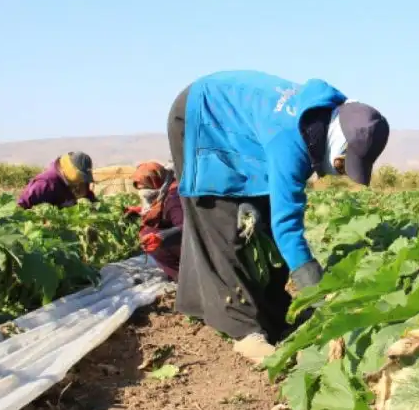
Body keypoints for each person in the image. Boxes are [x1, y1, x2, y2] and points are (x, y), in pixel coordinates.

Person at [167, 70, 390, 364]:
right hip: (200, 115)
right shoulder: (291, 140)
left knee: (263, 222)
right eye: (341, 163)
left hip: (239, 131)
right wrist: (319, 294)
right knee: (219, 219)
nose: (338, 172)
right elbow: (287, 226)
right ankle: (243, 329)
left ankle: (273, 314)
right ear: (337, 141)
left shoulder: (325, 117)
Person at [124, 161, 184, 280]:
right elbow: (160, 210)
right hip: (183, 243)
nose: (143, 193)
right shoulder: (165, 190)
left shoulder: (173, 198)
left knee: (150, 238)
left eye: (146, 188)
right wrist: (139, 210)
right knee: (148, 232)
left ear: (155, 182)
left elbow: (187, 227)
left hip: (195, 245)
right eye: (139, 189)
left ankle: (183, 276)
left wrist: (162, 237)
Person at [18, 152, 97, 209]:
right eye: (80, 177)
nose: (81, 182)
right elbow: (22, 206)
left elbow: (90, 199)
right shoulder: (46, 184)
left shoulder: (82, 182)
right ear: (70, 171)